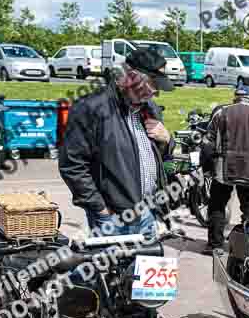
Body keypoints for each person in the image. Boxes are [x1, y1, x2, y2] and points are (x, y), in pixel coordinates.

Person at [60, 48, 175, 239]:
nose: (156, 92)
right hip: (114, 217)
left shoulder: (151, 108)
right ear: (131, 77)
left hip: (150, 212)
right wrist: (100, 209)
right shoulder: (92, 108)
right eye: (153, 84)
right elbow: (72, 165)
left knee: (144, 267)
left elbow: (162, 157)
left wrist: (167, 140)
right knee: (110, 267)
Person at [201, 85, 249, 254]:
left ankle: (215, 245)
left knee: (217, 206)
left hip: (222, 169)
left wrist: (207, 168)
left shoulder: (221, 113)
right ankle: (248, 247)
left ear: (235, 97)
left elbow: (207, 144)